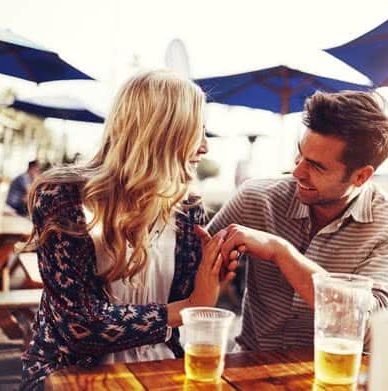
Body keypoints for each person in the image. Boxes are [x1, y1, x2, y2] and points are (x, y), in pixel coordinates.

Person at [19, 70, 236, 390]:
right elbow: (81, 327)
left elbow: (194, 298)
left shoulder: (187, 209)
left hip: (163, 368)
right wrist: (186, 308)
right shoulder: (64, 196)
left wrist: (213, 271)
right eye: (196, 130)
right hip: (71, 375)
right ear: (160, 132)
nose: (205, 147)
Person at [207, 91, 388, 351]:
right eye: (300, 154)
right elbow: (186, 271)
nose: (297, 172)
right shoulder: (256, 198)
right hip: (249, 367)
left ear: (360, 176)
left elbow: (374, 328)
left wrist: (281, 252)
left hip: (336, 375)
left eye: (316, 166)